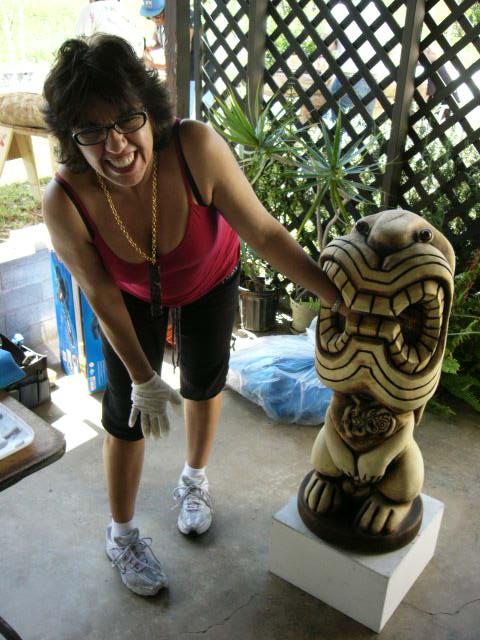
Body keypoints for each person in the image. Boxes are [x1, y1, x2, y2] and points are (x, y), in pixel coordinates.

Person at [42, 34, 346, 597]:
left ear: (149, 110)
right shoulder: (65, 201)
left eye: (126, 119)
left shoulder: (194, 147)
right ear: (71, 139)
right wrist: (142, 377)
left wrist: (336, 297)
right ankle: (121, 535)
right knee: (125, 413)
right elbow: (101, 295)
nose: (116, 144)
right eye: (91, 130)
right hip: (129, 295)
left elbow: (264, 233)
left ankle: (194, 480)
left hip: (211, 275)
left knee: (204, 381)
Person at [75, 0, 144, 58]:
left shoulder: (90, 10)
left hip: (105, 64)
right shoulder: (128, 12)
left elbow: (78, 48)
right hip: (132, 64)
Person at [140, 0, 168, 72]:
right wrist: (152, 48)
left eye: (156, 17)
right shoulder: (160, 24)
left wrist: (153, 65)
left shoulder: (181, 27)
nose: (153, 20)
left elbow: (178, 65)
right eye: (149, 17)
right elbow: (161, 43)